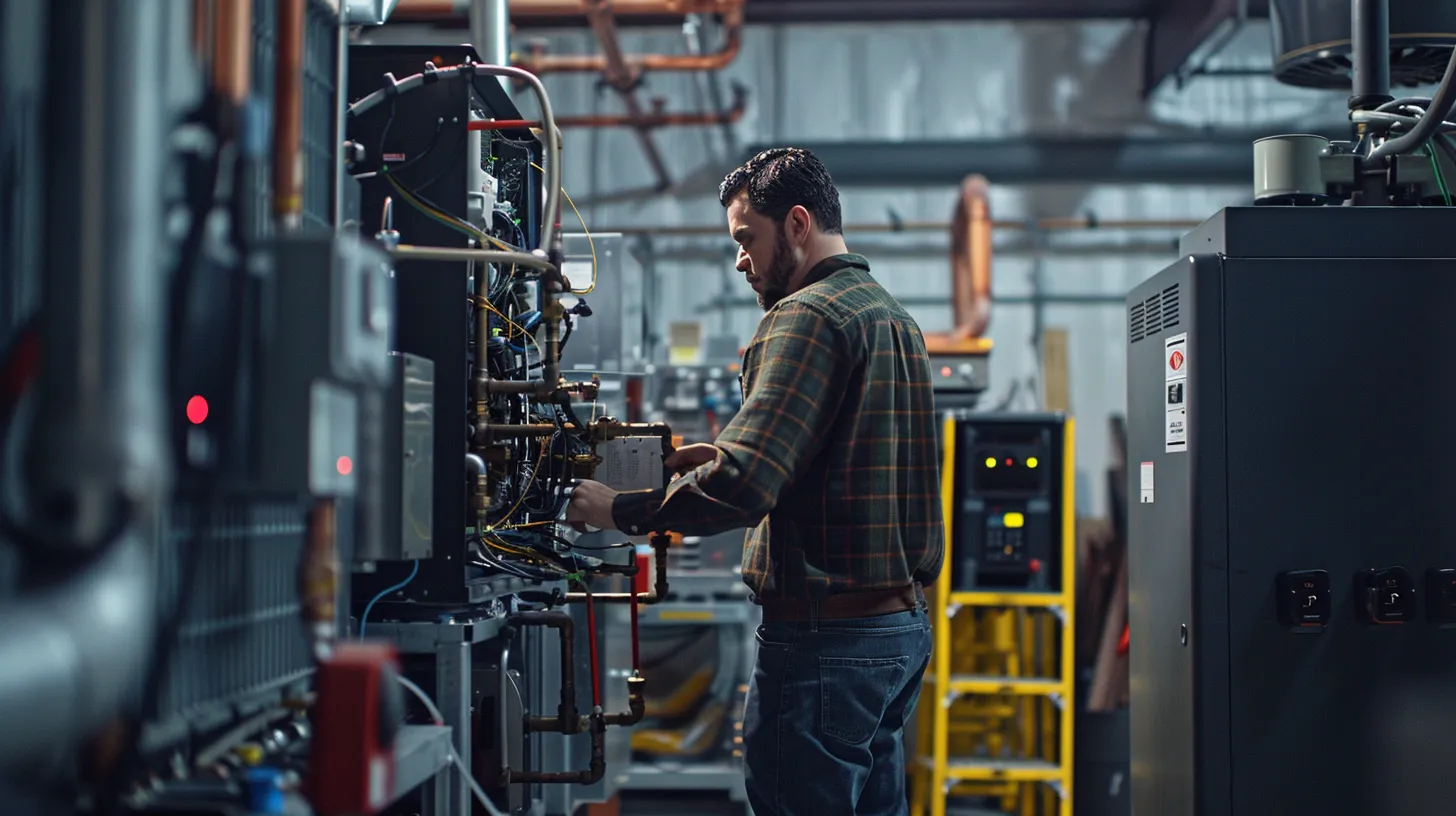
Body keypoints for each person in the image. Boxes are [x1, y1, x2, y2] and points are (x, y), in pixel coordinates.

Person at [565, 147, 943, 816]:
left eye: (747, 239)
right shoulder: (892, 317)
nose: (740, 260)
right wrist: (731, 450)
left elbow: (744, 486)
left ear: (797, 225)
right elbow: (847, 458)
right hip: (897, 633)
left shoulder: (804, 317)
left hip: (826, 643)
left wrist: (618, 509)